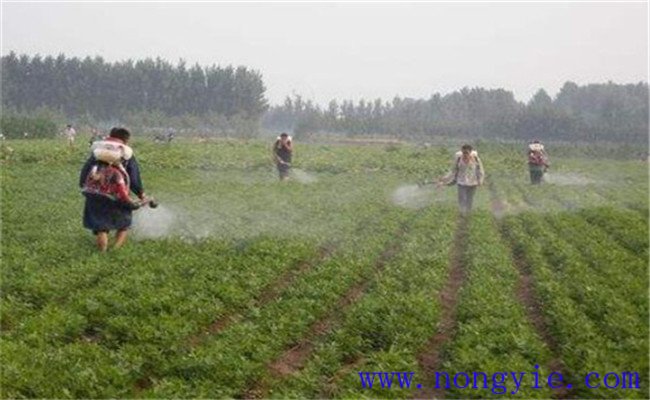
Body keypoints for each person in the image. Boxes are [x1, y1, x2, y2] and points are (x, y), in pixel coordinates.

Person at [79, 127, 148, 251]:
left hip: (95, 193)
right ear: (126, 140)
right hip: (118, 195)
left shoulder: (98, 150)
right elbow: (133, 177)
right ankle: (115, 250)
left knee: (101, 226)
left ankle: (102, 253)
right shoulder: (126, 153)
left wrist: (83, 185)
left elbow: (86, 170)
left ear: (110, 135)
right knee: (123, 225)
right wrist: (141, 194)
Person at [437, 144, 485, 215]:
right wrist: (444, 178)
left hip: (473, 183)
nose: (465, 155)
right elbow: (453, 171)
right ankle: (462, 213)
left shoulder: (476, 159)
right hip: (461, 182)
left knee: (469, 199)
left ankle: (468, 213)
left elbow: (481, 170)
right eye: (463, 153)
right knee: (462, 199)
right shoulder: (459, 159)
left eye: (466, 153)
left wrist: (480, 181)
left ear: (470, 152)